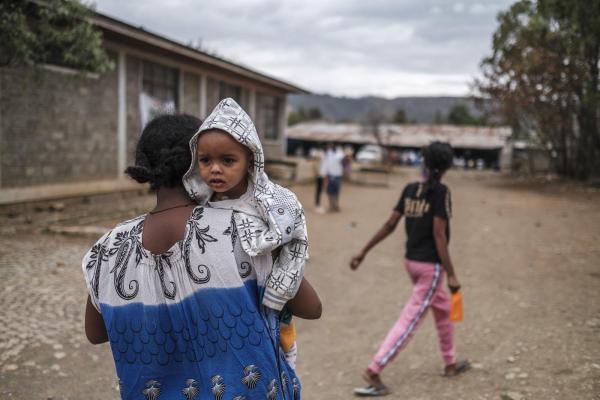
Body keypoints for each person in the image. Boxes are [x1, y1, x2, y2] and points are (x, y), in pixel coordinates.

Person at [82, 110, 321, 400]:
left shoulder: (107, 248)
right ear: (197, 160)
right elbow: (311, 308)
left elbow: (96, 334)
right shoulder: (247, 232)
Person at [349, 141, 469, 397]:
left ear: (424, 162)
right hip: (430, 268)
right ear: (447, 166)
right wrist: (452, 273)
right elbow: (439, 235)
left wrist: (363, 251)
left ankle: (450, 362)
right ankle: (374, 370)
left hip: (412, 263)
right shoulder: (441, 192)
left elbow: (390, 224)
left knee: (444, 310)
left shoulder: (411, 189)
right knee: (410, 319)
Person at [323, 143, 344, 212]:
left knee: (336, 191)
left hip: (337, 175)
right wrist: (324, 174)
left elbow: (340, 158)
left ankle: (336, 206)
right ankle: (331, 206)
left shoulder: (340, 153)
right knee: (330, 192)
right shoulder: (328, 154)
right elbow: (326, 164)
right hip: (330, 175)